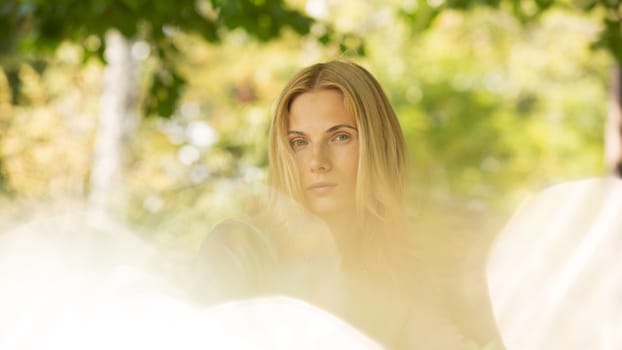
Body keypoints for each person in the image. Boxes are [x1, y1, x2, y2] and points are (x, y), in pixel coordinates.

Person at [199, 60, 504, 349]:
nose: (317, 162)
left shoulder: (403, 271)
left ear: (377, 145)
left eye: (340, 137)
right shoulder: (241, 249)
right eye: (299, 142)